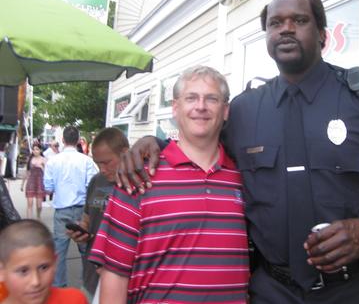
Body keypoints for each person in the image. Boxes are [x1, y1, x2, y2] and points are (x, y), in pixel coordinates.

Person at [117, 0, 359, 303]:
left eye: (299, 20)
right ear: (268, 37)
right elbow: (200, 145)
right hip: (273, 292)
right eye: (276, 23)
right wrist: (154, 144)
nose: (286, 28)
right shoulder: (244, 111)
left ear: (322, 35)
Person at [88, 66, 249, 303]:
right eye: (191, 98)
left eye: (211, 99)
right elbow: (114, 273)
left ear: (225, 110)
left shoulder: (241, 176)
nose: (201, 106)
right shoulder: (137, 176)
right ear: (175, 108)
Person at [67, 127, 129, 302]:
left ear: (124, 153)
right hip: (90, 275)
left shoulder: (140, 184)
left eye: (107, 162)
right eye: (98, 163)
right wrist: (81, 231)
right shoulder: (96, 181)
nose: (102, 169)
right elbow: (87, 218)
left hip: (122, 280)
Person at [43, 126, 98, 288]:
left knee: (59, 251)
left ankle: (59, 287)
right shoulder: (87, 161)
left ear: (63, 140)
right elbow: (92, 185)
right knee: (85, 250)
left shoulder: (53, 161)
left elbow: (48, 187)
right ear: (78, 140)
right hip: (82, 210)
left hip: (62, 209)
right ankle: (88, 285)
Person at [0, 219, 88, 303]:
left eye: (44, 267)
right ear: (1, 271)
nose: (36, 281)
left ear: (55, 263)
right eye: (23, 271)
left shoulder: (74, 300)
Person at [20, 143, 47, 219]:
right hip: (31, 183)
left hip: (40, 183)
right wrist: (22, 184)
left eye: (37, 149)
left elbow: (47, 173)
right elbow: (27, 172)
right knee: (30, 204)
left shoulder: (44, 159)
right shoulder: (30, 159)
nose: (35, 151)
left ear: (40, 150)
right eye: (33, 149)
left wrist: (41, 167)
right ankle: (29, 221)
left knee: (39, 205)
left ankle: (38, 216)